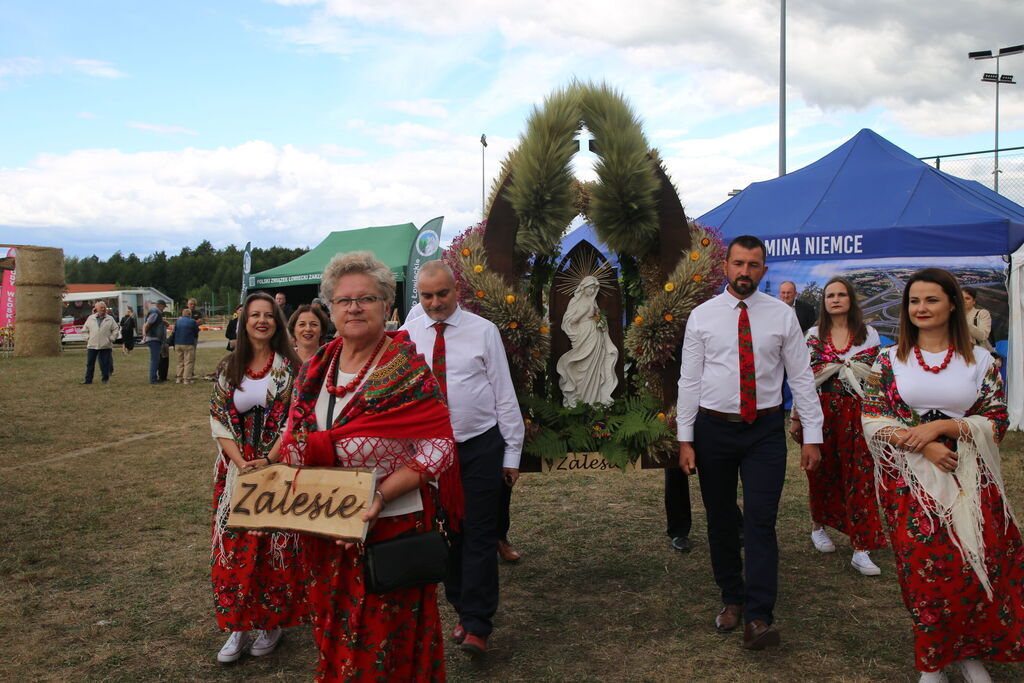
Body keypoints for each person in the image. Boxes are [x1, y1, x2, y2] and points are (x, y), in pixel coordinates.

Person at [279, 251, 459, 681]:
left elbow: (439, 446)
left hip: (389, 530)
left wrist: (380, 494)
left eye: (367, 298)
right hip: (325, 527)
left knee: (385, 644)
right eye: (343, 300)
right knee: (334, 635)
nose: (354, 307)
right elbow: (295, 436)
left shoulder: (407, 369)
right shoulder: (315, 369)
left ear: (386, 306)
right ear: (330, 309)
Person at [861, 268, 1024, 683]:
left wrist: (944, 428)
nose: (921, 308)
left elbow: (997, 418)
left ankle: (970, 654)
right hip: (911, 482)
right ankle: (931, 662)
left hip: (970, 479)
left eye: (931, 300)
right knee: (924, 572)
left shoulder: (981, 360)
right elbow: (873, 417)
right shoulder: (887, 359)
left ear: (953, 303)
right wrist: (925, 444)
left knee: (973, 566)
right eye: (914, 301)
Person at [677, 235, 823, 650]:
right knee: (721, 518)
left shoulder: (781, 316)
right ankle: (731, 598)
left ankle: (759, 616)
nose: (745, 272)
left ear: (764, 269)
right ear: (725, 266)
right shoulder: (702, 316)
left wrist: (813, 435)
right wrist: (685, 439)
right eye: (738, 264)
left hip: (764, 431)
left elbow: (801, 378)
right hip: (713, 430)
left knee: (761, 519)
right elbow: (689, 381)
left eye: (753, 265)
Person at [401, 259, 525, 656]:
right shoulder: (408, 332)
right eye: (427, 295)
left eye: (442, 294)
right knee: (447, 535)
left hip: (478, 447)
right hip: (429, 453)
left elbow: (503, 393)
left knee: (478, 533)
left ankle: (477, 624)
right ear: (418, 295)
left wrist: (512, 453)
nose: (435, 303)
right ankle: (461, 609)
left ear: (457, 291)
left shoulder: (483, 331)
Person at [209, 292, 303, 664]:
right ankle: (238, 626)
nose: (261, 321)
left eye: (269, 315)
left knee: (271, 547)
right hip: (235, 473)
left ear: (277, 322)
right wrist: (242, 461)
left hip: (275, 469)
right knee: (233, 548)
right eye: (254, 316)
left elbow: (295, 420)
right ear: (244, 322)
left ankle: (271, 624)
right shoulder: (228, 366)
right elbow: (218, 418)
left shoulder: (290, 368)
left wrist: (267, 459)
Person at [791, 277, 886, 575]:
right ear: (824, 302)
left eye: (841, 294)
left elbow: (876, 378)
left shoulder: (868, 334)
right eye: (830, 295)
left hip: (858, 414)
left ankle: (862, 546)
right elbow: (804, 378)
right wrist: (797, 416)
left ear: (850, 299)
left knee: (861, 477)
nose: (835, 299)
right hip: (821, 413)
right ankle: (818, 526)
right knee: (821, 472)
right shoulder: (814, 334)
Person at [555, 275, 618, 406]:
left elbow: (598, 317)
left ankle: (594, 399)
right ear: (583, 287)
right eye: (590, 287)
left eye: (594, 288)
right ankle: (579, 398)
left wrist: (601, 322)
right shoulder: (575, 301)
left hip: (595, 334)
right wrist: (582, 313)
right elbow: (569, 321)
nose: (592, 290)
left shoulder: (593, 302)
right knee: (581, 365)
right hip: (582, 334)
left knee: (595, 365)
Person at [81, 301, 119, 384]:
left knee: (105, 363)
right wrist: (88, 338)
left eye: (104, 307)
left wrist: (112, 338)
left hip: (105, 345)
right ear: (96, 309)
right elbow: (84, 330)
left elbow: (116, 329)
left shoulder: (110, 319)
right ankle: (88, 380)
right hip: (92, 345)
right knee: (90, 364)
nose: (103, 309)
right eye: (101, 308)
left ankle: (105, 379)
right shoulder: (91, 318)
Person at [961, 286, 995, 354]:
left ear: (974, 301)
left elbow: (983, 336)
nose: (964, 301)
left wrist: (963, 322)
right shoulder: (952, 315)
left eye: (967, 298)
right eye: (961, 298)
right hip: (960, 355)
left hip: (979, 355)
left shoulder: (982, 313)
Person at [142, 300, 168, 384]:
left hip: (154, 338)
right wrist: (144, 334)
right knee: (155, 359)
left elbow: (153, 322)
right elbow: (147, 324)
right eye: (164, 307)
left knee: (156, 359)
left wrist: (164, 322)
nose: (164, 309)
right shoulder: (155, 312)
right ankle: (153, 379)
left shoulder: (156, 313)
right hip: (154, 339)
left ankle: (154, 377)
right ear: (160, 305)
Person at [172, 308, 200, 384]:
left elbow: (174, 331)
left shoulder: (178, 321)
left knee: (179, 361)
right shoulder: (192, 321)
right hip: (188, 343)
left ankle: (179, 378)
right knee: (188, 361)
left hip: (178, 343)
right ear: (190, 314)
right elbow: (196, 331)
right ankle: (187, 379)